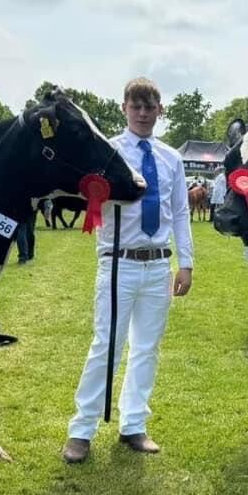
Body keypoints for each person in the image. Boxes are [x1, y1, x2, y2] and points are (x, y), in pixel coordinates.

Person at [62, 77, 194, 464]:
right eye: (135, 106)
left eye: (149, 107)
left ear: (159, 111)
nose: (142, 113)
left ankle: (133, 423)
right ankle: (81, 429)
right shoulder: (108, 153)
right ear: (124, 108)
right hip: (118, 260)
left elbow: (181, 212)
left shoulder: (171, 157)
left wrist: (185, 262)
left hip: (157, 263)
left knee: (146, 348)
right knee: (106, 345)